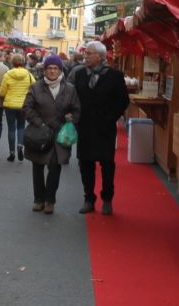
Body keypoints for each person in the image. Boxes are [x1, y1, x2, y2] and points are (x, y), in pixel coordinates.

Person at [70, 40, 130, 215]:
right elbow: (72, 96)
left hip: (105, 128)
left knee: (107, 164)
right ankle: (89, 198)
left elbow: (123, 101)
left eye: (88, 53)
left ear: (100, 56)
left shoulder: (114, 76)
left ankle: (107, 198)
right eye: (85, 53)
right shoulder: (80, 74)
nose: (85, 56)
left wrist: (110, 117)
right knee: (85, 164)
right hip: (85, 127)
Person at [23, 55, 79, 213]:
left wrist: (72, 118)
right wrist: (38, 122)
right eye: (49, 68)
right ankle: (38, 199)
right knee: (38, 165)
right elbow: (27, 107)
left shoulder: (69, 88)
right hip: (39, 133)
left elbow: (76, 109)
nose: (52, 71)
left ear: (60, 70)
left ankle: (50, 200)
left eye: (55, 68)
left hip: (60, 134)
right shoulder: (36, 87)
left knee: (55, 167)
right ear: (45, 70)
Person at [0, 51, 35, 162]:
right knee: (21, 127)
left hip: (10, 105)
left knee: (11, 128)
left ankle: (12, 153)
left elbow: (2, 92)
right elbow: (34, 88)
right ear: (23, 62)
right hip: (23, 105)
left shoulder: (8, 74)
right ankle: (20, 145)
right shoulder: (28, 74)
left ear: (12, 62)